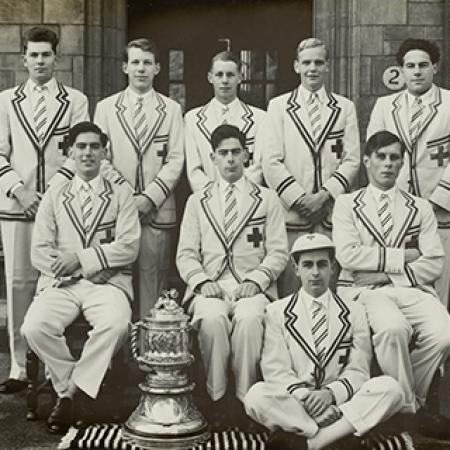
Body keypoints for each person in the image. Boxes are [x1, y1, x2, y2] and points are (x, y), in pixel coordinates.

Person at [21, 122, 140, 434]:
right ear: (70, 152)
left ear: (104, 151)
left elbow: (129, 247)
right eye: (81, 147)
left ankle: (69, 395)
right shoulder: (54, 194)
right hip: (62, 284)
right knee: (33, 327)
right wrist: (81, 266)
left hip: (109, 283)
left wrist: (84, 258)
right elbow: (40, 253)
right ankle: (73, 390)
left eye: (94, 147)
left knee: (116, 325)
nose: (88, 153)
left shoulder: (121, 193)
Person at [333, 130, 450, 438]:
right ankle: (411, 410)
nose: (388, 164)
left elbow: (434, 262)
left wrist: (386, 273)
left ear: (402, 163)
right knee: (392, 328)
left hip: (408, 288)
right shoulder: (347, 203)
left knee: (444, 333)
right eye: (381, 157)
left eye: (394, 157)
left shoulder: (419, 206)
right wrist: (405, 256)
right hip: (362, 291)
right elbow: (347, 255)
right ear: (367, 161)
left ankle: (405, 400)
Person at [244, 233, 404, 450]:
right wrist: (308, 400)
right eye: (308, 265)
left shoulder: (354, 311)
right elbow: (276, 370)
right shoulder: (277, 311)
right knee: (256, 396)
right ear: (296, 269)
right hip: (298, 403)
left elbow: (359, 370)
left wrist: (330, 395)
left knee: (391, 389)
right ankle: (340, 434)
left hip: (340, 402)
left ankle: (312, 442)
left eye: (322, 264)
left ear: (333, 267)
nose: (315, 273)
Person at [176, 124, 288, 427]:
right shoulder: (197, 201)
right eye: (223, 153)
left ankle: (245, 399)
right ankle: (216, 397)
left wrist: (256, 280)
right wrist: (202, 281)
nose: (230, 160)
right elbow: (186, 254)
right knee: (211, 320)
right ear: (212, 157)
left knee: (250, 320)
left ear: (247, 155)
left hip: (251, 286)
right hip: (210, 286)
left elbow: (278, 251)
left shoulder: (266, 198)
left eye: (235, 152)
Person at [0, 26, 89, 394]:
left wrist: (49, 196)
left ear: (57, 57)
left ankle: (56, 370)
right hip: (16, 206)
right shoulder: (5, 100)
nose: (40, 61)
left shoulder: (75, 100)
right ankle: (20, 365)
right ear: (24, 58)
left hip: (59, 207)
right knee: (19, 284)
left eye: (46, 54)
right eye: (33, 55)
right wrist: (19, 191)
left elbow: (78, 151)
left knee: (57, 284)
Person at [261, 38, 360, 297]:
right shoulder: (279, 106)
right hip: (294, 214)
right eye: (306, 62)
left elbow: (352, 159)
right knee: (294, 285)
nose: (312, 68)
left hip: (330, 212)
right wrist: (301, 199)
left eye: (318, 62)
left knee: (330, 284)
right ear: (296, 66)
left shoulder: (344, 107)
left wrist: (324, 196)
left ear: (327, 66)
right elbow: (270, 161)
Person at [94, 38, 184, 317]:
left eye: (147, 63)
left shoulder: (170, 109)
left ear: (157, 67)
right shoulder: (106, 108)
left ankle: (150, 352)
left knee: (153, 280)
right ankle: (120, 354)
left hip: (156, 212)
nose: (141, 69)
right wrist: (128, 198)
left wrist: (149, 198)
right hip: (117, 210)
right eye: (135, 62)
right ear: (125, 67)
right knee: (115, 281)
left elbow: (176, 158)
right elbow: (100, 159)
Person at [367, 39, 450, 310]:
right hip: (396, 209)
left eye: (423, 65)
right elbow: (375, 154)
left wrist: (439, 199)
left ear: (435, 68)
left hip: (440, 210)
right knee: (397, 285)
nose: (416, 72)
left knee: (439, 283)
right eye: (410, 66)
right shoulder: (385, 105)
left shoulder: (449, 104)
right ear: (400, 71)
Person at [184, 51, 266, 191]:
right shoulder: (192, 119)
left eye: (230, 75)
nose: (225, 80)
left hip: (247, 200)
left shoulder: (260, 118)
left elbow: (258, 167)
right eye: (219, 74)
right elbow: (194, 170)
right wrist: (214, 196)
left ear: (240, 78)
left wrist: (237, 193)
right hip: (207, 201)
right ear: (210, 78)